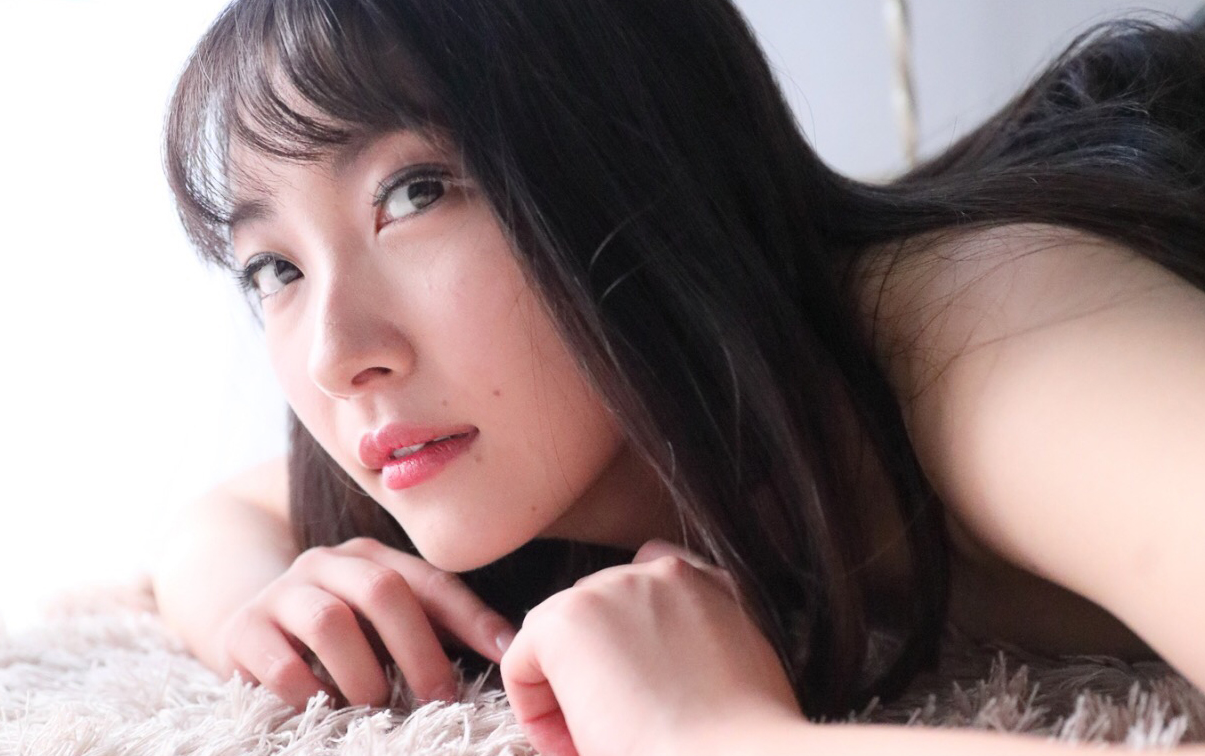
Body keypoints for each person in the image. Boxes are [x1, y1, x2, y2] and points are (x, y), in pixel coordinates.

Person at [150, 1, 1205, 754]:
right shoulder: (520, 448)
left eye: (415, 193)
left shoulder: (988, 339)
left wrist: (718, 735)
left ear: (632, 154)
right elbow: (220, 519)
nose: (336, 358)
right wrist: (265, 605)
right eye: (274, 269)